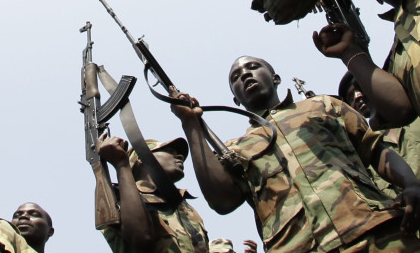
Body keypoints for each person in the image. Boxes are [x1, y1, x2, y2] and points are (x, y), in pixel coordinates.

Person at [171, 55, 420, 253]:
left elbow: (374, 149)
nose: (245, 73)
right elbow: (222, 201)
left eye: (253, 67)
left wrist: (410, 183)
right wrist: (190, 125)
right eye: (236, 76)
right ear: (235, 99)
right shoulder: (235, 149)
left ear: (275, 77)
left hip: (376, 232)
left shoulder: (323, 105)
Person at [96, 134, 209, 253]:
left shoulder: (185, 207)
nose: (180, 156)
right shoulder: (116, 200)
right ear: (141, 158)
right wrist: (121, 165)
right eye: (169, 151)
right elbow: (140, 236)